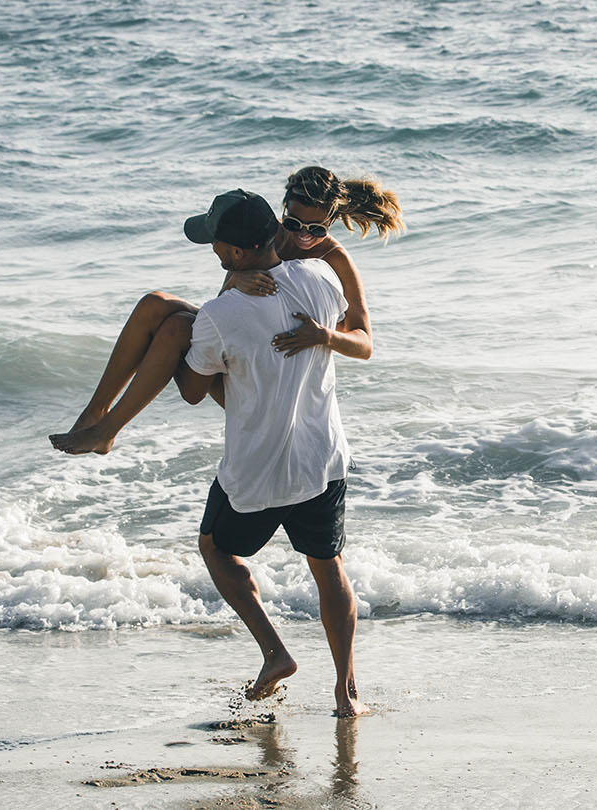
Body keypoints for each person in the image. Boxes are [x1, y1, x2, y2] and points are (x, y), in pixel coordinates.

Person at [171, 189, 365, 717]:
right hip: (320, 460)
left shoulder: (219, 314)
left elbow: (192, 390)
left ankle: (275, 652)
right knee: (329, 569)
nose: (213, 250)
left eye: (216, 243)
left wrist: (180, 335)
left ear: (235, 252)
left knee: (215, 548)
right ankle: (346, 693)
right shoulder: (322, 278)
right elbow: (352, 332)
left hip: (256, 470)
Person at [48, 166, 400, 455]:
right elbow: (222, 308)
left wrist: (324, 336)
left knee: (176, 328)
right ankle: (95, 414)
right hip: (244, 354)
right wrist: (236, 281)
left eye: (317, 229)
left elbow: (365, 344)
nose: (302, 237)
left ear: (332, 221)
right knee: (153, 304)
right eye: (294, 224)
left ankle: (107, 431)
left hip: (275, 386)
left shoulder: (335, 259)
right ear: (284, 212)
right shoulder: (267, 237)